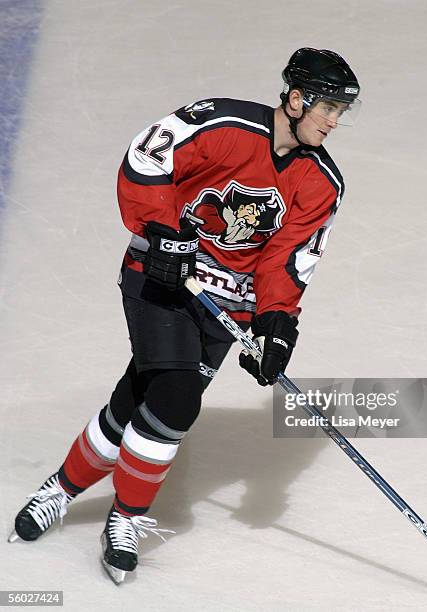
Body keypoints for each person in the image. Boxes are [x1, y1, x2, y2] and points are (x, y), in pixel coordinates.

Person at [8, 47, 361, 583]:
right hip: (159, 277)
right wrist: (163, 232)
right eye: (327, 108)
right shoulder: (222, 124)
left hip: (226, 308)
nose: (334, 122)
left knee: (140, 395)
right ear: (294, 99)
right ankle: (125, 518)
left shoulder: (321, 183)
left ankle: (59, 488)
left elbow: (286, 261)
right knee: (175, 396)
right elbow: (147, 160)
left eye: (340, 112)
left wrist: (275, 325)